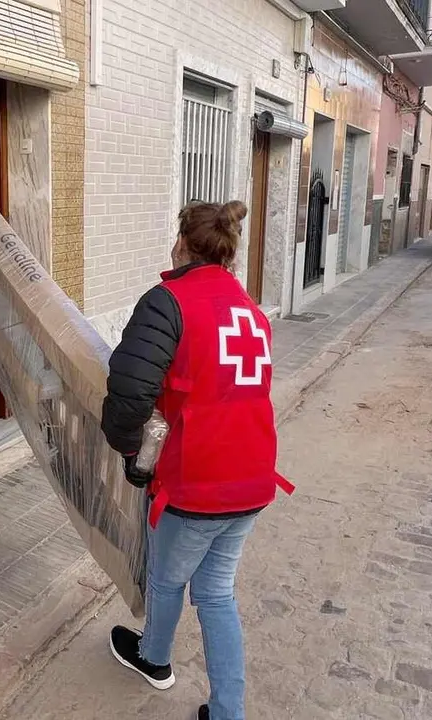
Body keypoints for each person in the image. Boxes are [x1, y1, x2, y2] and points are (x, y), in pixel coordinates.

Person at [100, 200, 295, 720]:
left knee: (168, 579)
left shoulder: (169, 301)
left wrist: (131, 454)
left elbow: (128, 393)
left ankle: (154, 659)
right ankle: (228, 711)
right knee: (215, 591)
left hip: (195, 482)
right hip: (252, 479)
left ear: (182, 243)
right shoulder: (251, 311)